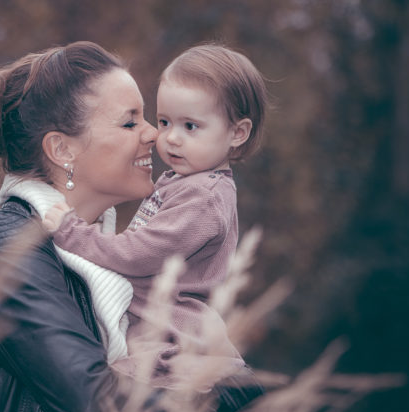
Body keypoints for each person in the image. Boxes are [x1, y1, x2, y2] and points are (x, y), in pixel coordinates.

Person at [0, 41, 263, 412]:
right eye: (131, 122)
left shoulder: (98, 250)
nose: (154, 133)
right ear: (63, 150)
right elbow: (97, 409)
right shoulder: (10, 247)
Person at [44, 43, 268, 390]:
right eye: (165, 122)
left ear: (237, 133)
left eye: (191, 126)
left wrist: (72, 233)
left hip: (171, 348)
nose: (171, 138)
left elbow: (137, 253)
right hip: (156, 337)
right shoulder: (184, 182)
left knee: (105, 401)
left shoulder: (203, 198)